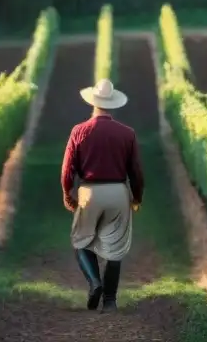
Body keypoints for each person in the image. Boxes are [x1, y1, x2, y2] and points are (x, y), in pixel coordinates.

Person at [60, 78, 144, 312]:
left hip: (89, 192)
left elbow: (68, 169)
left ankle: (94, 282)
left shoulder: (79, 131)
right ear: (113, 104)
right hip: (118, 191)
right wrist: (136, 197)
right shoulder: (127, 133)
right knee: (115, 247)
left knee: (81, 240)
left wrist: (68, 192)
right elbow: (136, 171)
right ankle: (109, 301)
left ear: (93, 103)